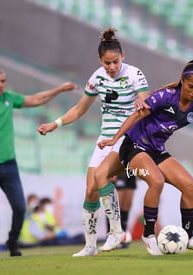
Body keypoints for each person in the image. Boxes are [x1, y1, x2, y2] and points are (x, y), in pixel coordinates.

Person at [97, 60, 193, 255]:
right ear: (183, 81)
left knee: (191, 186)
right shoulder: (165, 97)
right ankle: (149, 235)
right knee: (156, 181)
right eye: (191, 86)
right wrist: (114, 139)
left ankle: (188, 236)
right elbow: (136, 116)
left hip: (156, 151)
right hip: (133, 146)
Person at [37, 28, 150, 256]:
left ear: (123, 57)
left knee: (101, 178)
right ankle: (90, 247)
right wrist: (54, 124)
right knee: (90, 190)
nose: (112, 67)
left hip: (127, 137)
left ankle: (117, 231)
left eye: (115, 62)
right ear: (100, 60)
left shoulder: (134, 74)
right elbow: (79, 109)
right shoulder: (96, 77)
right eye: (107, 62)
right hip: (104, 139)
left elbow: (144, 98)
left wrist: (141, 101)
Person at [0, 67, 78, 258]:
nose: (0, 85)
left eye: (2, 81)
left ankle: (12, 241)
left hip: (9, 165)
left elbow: (37, 99)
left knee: (20, 207)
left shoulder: (8, 98)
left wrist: (59, 89)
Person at [105, 174, 137, 248]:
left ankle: (122, 238)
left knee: (127, 204)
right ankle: (111, 237)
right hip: (119, 169)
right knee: (116, 204)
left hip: (130, 170)